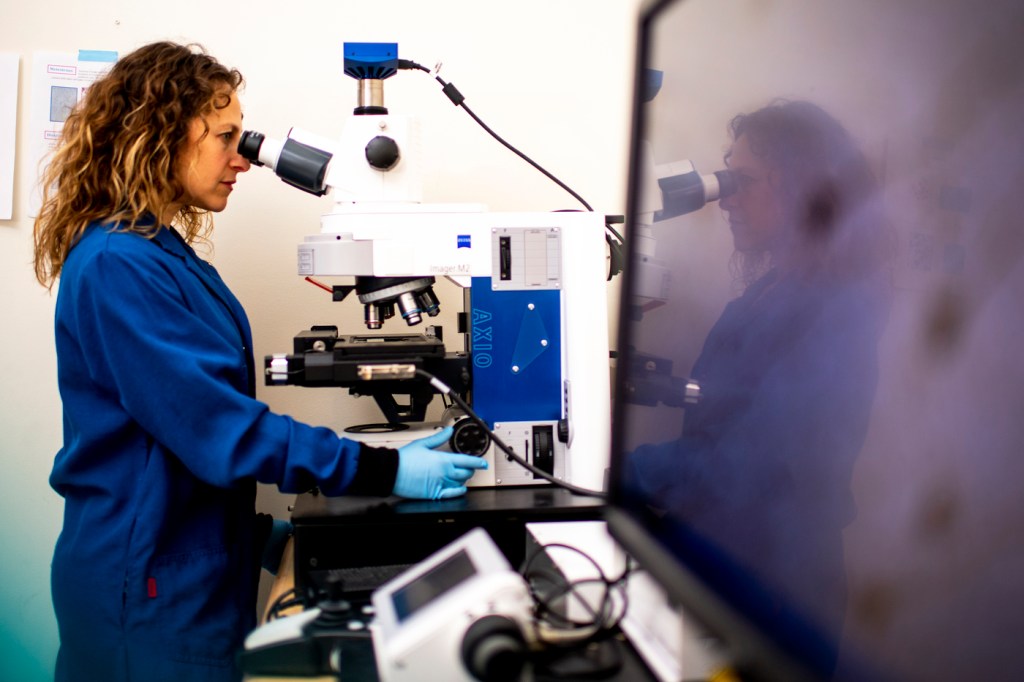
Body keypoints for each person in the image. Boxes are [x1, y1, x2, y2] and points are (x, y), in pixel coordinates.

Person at [32, 41, 487, 682]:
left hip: (185, 574)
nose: (242, 160)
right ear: (161, 134)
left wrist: (257, 538)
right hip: (147, 596)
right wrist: (384, 471)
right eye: (226, 137)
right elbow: (218, 429)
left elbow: (172, 446)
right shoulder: (119, 264)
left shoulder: (157, 253)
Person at [625, 100, 892, 675]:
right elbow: (726, 404)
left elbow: (755, 460)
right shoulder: (770, 289)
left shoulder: (840, 304)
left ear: (800, 188)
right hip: (722, 555)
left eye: (741, 183)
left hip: (778, 582)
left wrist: (624, 474)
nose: (726, 200)